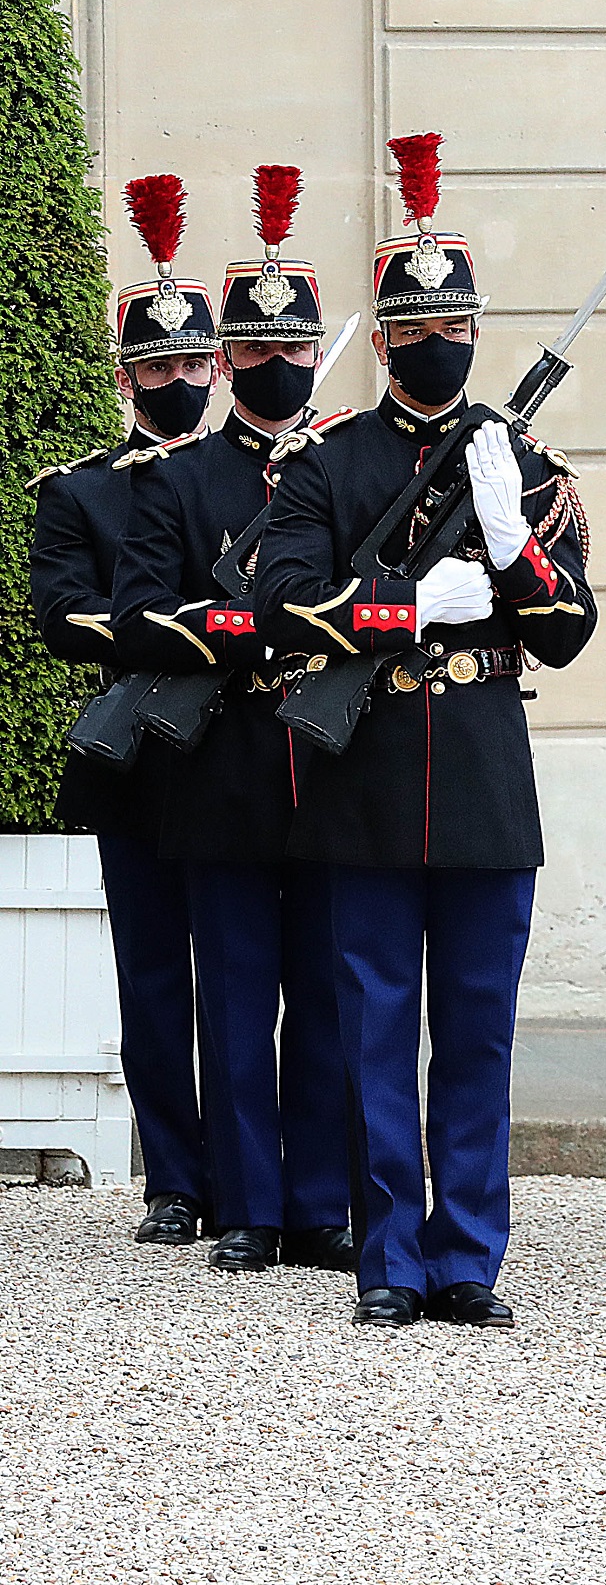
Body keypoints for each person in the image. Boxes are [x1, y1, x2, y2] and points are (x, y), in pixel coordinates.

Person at [254, 133, 597, 1328]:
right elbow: (276, 604)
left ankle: (469, 1256)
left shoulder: (529, 462)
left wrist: (512, 545)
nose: (435, 342)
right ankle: (391, 1255)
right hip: (371, 769)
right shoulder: (327, 462)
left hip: (487, 777)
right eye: (412, 326)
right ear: (385, 333)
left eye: (454, 324)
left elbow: (566, 631)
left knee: (478, 1036)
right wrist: (407, 606)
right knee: (374, 1026)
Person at [113, 166, 352, 1275]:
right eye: (252, 350)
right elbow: (138, 610)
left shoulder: (352, 466)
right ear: (227, 358)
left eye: (294, 347)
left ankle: (320, 1201)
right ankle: (248, 1205)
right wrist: (241, 624)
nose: (276, 365)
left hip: (336, 755)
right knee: (238, 994)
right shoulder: (178, 479)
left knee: (332, 994)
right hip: (221, 759)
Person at [28, 174, 216, 1245]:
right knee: (154, 974)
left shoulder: (268, 482)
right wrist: (166, 633)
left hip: (236, 751)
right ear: (127, 375)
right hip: (137, 751)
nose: (182, 381)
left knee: (244, 976)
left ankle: (249, 1170)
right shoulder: (82, 491)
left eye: (197, 364)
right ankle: (174, 1181)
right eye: (160, 366)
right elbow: (64, 616)